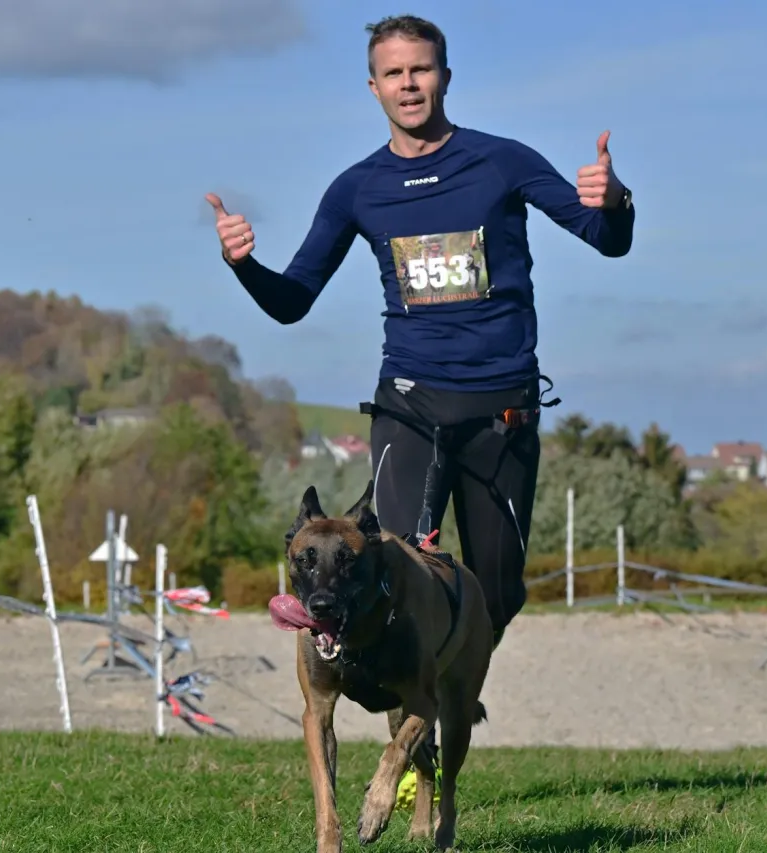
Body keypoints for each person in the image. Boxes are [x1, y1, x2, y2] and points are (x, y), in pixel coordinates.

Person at [206, 12, 634, 803]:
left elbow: (606, 239)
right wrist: (245, 266)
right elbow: (293, 301)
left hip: (502, 408)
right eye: (393, 73)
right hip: (407, 402)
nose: (409, 84)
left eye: (421, 70)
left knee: (496, 591)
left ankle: (444, 684)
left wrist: (618, 201)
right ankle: (413, 735)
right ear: (373, 87)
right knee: (390, 572)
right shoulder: (357, 188)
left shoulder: (501, 162)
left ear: (444, 76)